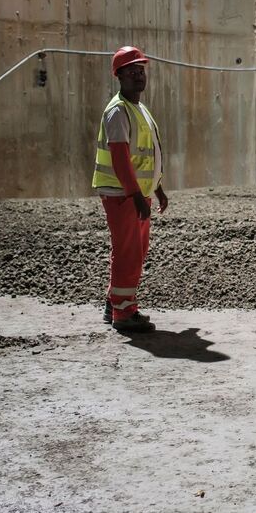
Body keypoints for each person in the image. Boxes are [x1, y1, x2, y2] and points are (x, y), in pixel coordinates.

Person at [91, 46, 168, 334]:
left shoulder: (138, 109)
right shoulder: (118, 112)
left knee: (135, 250)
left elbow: (147, 155)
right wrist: (136, 195)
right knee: (128, 253)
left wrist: (157, 189)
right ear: (119, 75)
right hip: (122, 195)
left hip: (135, 194)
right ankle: (124, 311)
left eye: (141, 70)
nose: (138, 75)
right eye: (132, 71)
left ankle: (115, 303)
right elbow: (121, 157)